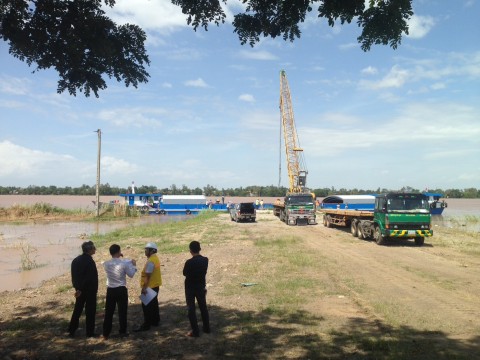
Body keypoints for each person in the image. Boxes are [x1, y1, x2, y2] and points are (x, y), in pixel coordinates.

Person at [102, 244, 137, 339]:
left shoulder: (106, 264)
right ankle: (122, 331)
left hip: (110, 289)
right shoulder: (123, 264)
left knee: (109, 312)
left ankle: (106, 333)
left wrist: (121, 257)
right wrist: (134, 266)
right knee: (122, 311)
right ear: (118, 252)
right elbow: (131, 275)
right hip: (121, 289)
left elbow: (115, 262)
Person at [68, 241, 98, 338]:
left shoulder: (76, 260)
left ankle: (71, 330)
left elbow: (74, 276)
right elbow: (90, 278)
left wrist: (77, 288)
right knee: (90, 311)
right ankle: (90, 332)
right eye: (94, 248)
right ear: (89, 250)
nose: (95, 249)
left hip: (79, 290)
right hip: (89, 290)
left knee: (77, 310)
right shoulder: (89, 261)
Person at [183, 241, 210, 337]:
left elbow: (185, 273)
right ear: (199, 249)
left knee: (191, 309)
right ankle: (207, 328)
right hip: (200, 286)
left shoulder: (189, 262)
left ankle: (195, 331)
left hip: (190, 288)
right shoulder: (205, 260)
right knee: (203, 307)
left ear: (190, 250)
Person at [135, 242, 162, 332]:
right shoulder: (155, 258)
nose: (145, 251)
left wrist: (144, 288)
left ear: (151, 251)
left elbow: (148, 275)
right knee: (154, 304)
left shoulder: (151, 261)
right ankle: (155, 321)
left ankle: (147, 324)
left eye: (146, 250)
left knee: (146, 305)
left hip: (150, 286)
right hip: (155, 285)